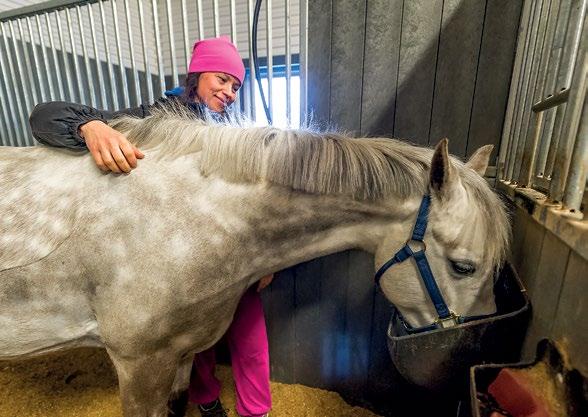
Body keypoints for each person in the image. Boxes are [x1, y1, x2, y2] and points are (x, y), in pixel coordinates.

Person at [29, 36, 272, 417]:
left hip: (235, 255)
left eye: (236, 86)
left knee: (250, 337)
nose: (229, 92)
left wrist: (266, 258)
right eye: (222, 79)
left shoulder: (234, 133)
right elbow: (45, 115)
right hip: (179, 261)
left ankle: (256, 412)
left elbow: (257, 199)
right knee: (196, 344)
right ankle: (207, 401)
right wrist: (91, 127)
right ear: (197, 75)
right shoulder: (152, 119)